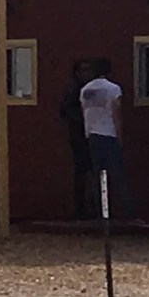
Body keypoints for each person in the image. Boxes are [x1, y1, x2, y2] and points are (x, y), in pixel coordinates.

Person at [80, 58, 131, 220]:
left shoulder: (85, 90)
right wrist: (120, 137)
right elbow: (117, 115)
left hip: (92, 135)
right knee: (118, 175)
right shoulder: (113, 89)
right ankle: (128, 213)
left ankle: (100, 214)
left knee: (97, 176)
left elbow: (84, 113)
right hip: (109, 134)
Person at [59, 59, 95, 220]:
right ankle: (80, 209)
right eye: (84, 70)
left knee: (93, 171)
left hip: (91, 133)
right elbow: (65, 110)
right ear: (77, 73)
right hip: (79, 135)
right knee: (82, 171)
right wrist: (83, 119)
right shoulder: (73, 90)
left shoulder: (92, 89)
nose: (87, 74)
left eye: (89, 70)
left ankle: (93, 208)